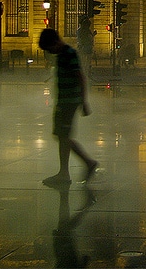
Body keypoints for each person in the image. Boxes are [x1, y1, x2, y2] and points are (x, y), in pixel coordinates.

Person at [39, 28, 98, 187]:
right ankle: (64, 172)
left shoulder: (68, 54)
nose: (50, 52)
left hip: (69, 102)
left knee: (63, 136)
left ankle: (85, 164)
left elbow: (81, 78)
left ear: (54, 42)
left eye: (49, 48)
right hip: (64, 101)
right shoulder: (61, 55)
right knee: (62, 136)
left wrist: (83, 102)